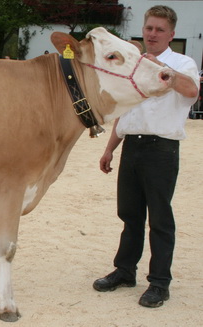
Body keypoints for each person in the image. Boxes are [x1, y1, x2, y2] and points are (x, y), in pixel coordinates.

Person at [93, 5, 200, 308]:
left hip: (161, 149)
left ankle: (159, 283)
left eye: (159, 30)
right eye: (149, 28)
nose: (153, 34)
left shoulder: (182, 62)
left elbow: (191, 91)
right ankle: (125, 270)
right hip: (132, 146)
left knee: (160, 219)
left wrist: (161, 70)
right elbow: (126, 110)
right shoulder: (133, 63)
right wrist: (110, 147)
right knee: (130, 215)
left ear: (171, 34)